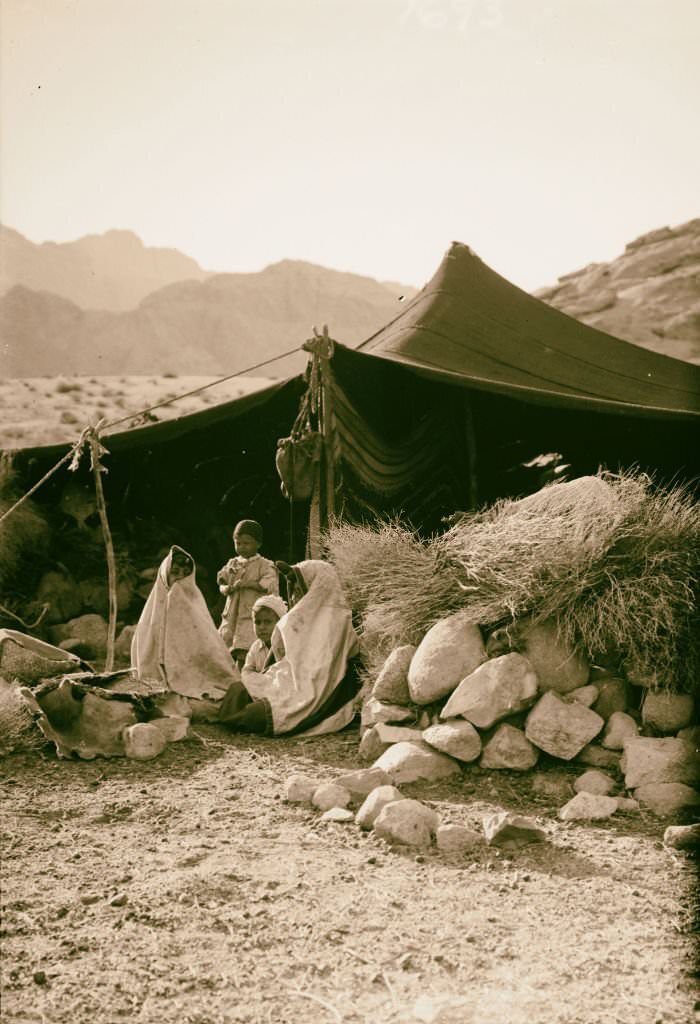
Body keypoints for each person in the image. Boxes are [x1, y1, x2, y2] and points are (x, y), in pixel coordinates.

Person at [218, 559, 362, 737]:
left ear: (316, 588)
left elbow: (329, 669)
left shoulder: (341, 621)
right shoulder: (300, 617)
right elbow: (281, 659)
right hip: (288, 678)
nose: (294, 597)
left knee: (257, 714)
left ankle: (241, 719)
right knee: (238, 689)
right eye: (293, 590)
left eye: (298, 590)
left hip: (312, 690)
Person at [216, 520, 279, 668]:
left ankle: (245, 678)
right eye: (238, 543)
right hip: (232, 615)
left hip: (249, 616)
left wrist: (247, 584)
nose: (242, 547)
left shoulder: (265, 565)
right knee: (226, 647)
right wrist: (228, 588)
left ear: (258, 544)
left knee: (245, 649)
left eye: (247, 543)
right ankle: (231, 680)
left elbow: (268, 585)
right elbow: (221, 581)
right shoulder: (232, 563)